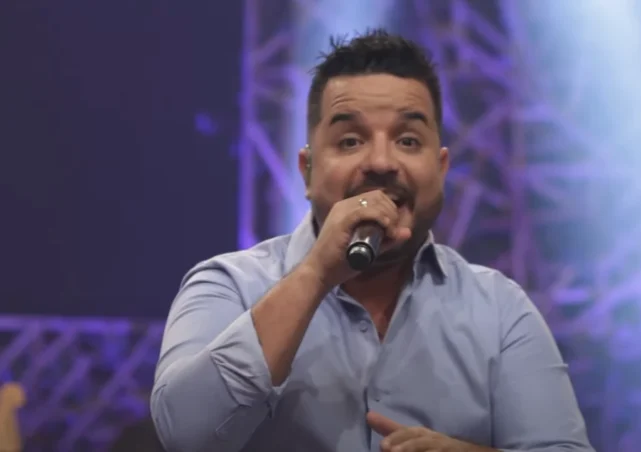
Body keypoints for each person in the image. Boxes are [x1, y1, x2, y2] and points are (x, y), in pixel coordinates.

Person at [150, 29, 594, 452]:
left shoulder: (499, 308)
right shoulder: (227, 284)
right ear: (307, 171)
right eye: (350, 141)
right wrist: (316, 273)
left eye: (408, 140)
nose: (381, 162)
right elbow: (184, 436)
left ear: (440, 169)